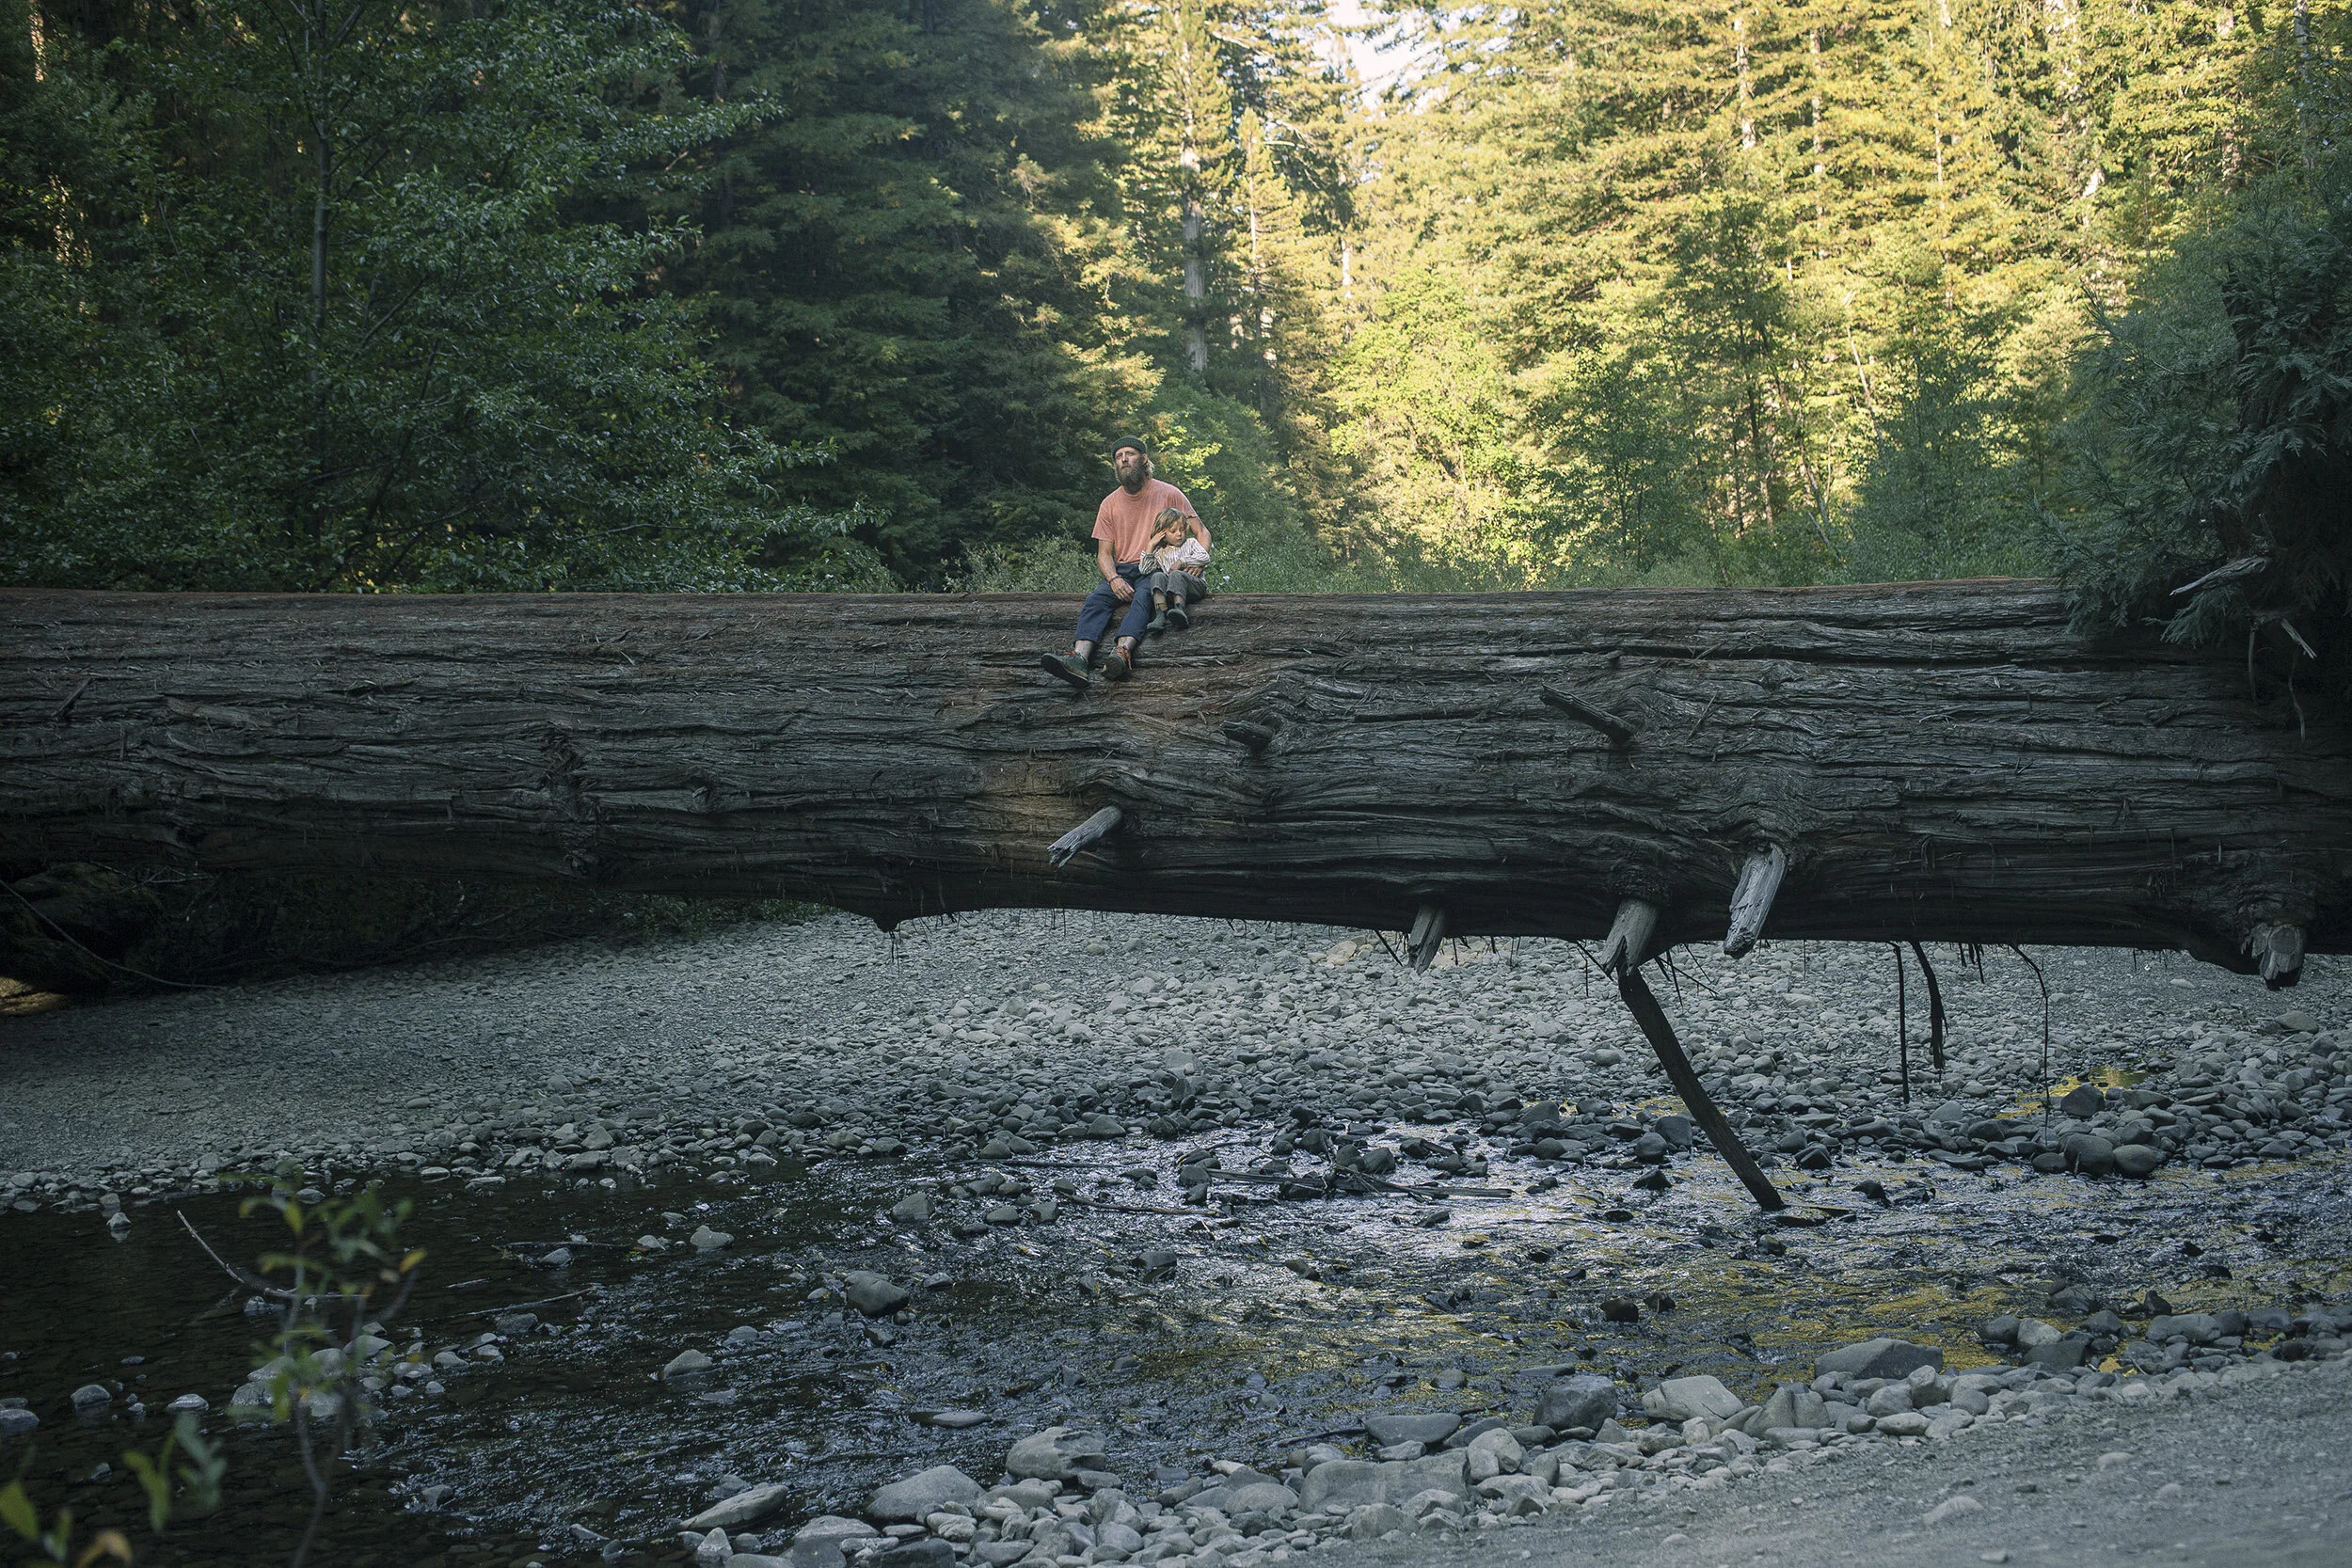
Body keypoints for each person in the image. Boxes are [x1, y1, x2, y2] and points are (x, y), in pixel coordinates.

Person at [1040, 437, 1208, 689]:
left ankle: (1122, 654)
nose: (1124, 459)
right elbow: (1104, 554)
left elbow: (1202, 532)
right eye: (1118, 457)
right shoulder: (1109, 504)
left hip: (1154, 566)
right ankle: (1079, 659)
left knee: (1144, 598)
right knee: (1096, 599)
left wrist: (1196, 564)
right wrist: (1113, 579)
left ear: (1144, 459)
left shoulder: (1169, 493)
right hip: (1122, 569)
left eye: (1129, 454)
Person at [1138, 506, 1211, 632]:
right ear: (1162, 535)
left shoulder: (1191, 543)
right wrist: (1150, 545)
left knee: (1176, 574)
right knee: (1157, 576)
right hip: (1171, 592)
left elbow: (1205, 557)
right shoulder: (1160, 553)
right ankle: (1160, 613)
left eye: (1182, 530)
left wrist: (1182, 562)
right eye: (1173, 531)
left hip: (1194, 586)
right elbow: (1144, 570)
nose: (1179, 534)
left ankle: (1179, 609)